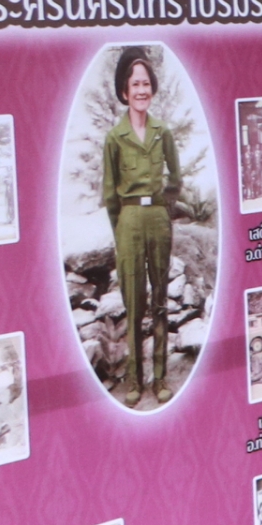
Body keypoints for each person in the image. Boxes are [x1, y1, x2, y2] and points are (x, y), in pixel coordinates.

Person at [101, 49, 182, 409]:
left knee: (160, 300)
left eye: (146, 83)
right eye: (135, 84)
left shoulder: (162, 132)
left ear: (153, 88)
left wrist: (164, 211)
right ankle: (134, 380)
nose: (141, 90)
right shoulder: (114, 137)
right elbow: (110, 194)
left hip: (157, 219)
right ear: (124, 91)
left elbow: (175, 180)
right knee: (133, 302)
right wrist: (120, 231)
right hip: (129, 221)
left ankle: (160, 377)